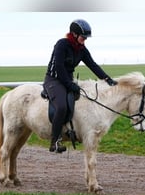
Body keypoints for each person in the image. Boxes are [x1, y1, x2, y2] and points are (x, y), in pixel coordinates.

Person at [43, 19, 118, 153]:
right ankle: (55, 141)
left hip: (68, 81)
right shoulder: (62, 45)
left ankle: (73, 130)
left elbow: (93, 65)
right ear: (74, 34)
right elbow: (59, 68)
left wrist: (107, 79)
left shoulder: (81, 49)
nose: (85, 40)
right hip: (54, 80)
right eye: (83, 37)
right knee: (61, 106)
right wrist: (70, 85)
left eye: (86, 38)